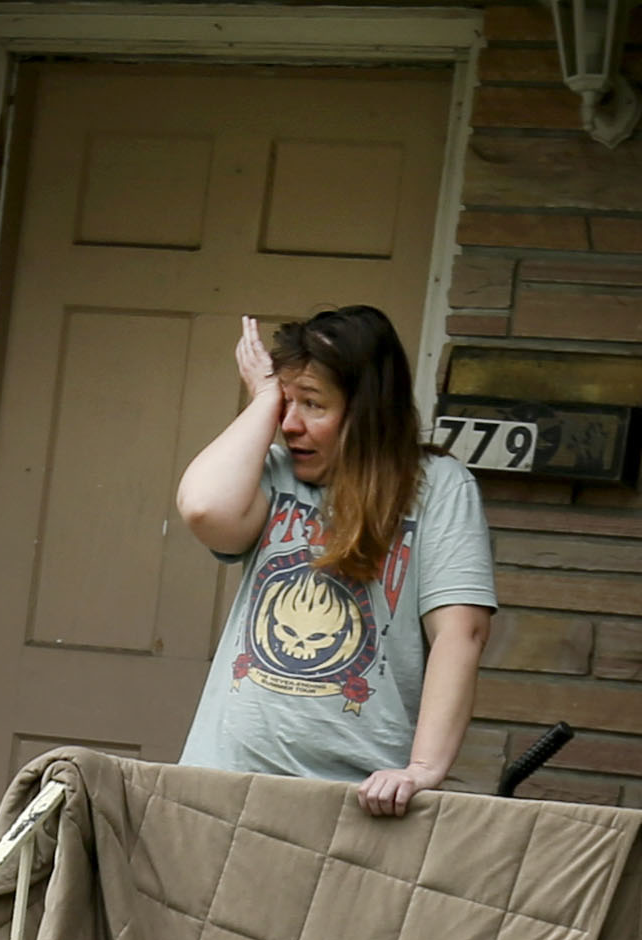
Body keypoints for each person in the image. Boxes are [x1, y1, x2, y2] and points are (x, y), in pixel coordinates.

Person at [172, 305, 494, 817]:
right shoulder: (273, 474)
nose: (290, 426)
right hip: (223, 783)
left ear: (367, 410)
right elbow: (205, 507)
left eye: (313, 405)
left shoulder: (439, 489)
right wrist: (263, 399)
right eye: (286, 403)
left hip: (356, 801)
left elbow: (461, 634)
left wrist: (423, 769)